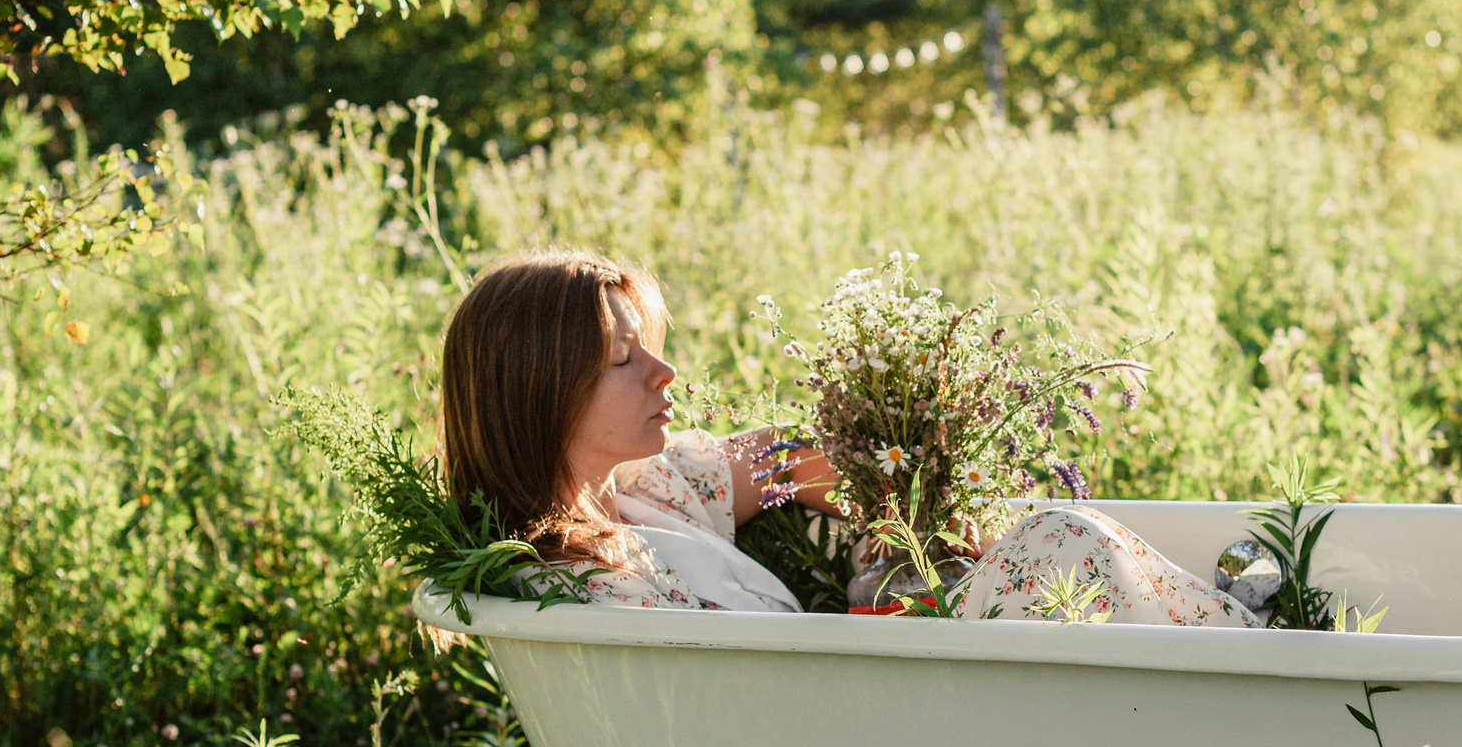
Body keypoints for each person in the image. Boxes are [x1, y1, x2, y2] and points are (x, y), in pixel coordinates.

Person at [438, 248, 1257, 626]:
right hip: (863, 738)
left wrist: (893, 507)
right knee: (1057, 542)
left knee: (1046, 541)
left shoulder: (644, 490)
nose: (665, 372)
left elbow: (782, 463)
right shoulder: (583, 594)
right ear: (543, 392)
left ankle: (1245, 643)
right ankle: (1257, 645)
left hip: (890, 688)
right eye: (624, 357)